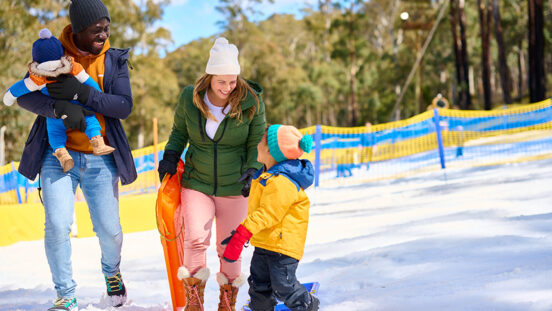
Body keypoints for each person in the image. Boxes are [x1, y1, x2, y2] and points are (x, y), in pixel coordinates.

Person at [16, 0, 136, 309]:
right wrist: (57, 108)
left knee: (109, 230)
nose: (104, 34)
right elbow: (26, 95)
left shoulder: (113, 60)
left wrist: (84, 95)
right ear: (78, 30)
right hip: (57, 155)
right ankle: (65, 294)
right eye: (97, 29)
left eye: (106, 28)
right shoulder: (53, 52)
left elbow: (123, 106)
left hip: (101, 155)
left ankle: (112, 273)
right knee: (57, 224)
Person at [157, 37, 266, 310]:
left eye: (232, 81)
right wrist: (171, 155)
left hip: (235, 185)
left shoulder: (251, 100)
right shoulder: (189, 97)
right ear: (209, 76)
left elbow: (256, 141)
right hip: (197, 182)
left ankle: (227, 303)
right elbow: (179, 132)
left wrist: (254, 169)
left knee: (230, 247)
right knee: (195, 239)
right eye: (221, 82)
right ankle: (194, 302)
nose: (228, 88)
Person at [222, 124, 320, 311]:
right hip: (265, 243)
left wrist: (242, 234)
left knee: (284, 287)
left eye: (259, 142)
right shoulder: (267, 176)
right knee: (258, 286)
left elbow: (268, 214)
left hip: (283, 247)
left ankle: (308, 304)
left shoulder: (282, 182)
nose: (256, 145)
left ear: (271, 150)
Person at [4, 28, 114, 173]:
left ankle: (62, 154)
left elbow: (19, 89)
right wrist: (97, 94)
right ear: (61, 54)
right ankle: (97, 143)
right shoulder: (71, 67)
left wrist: (8, 98)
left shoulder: (37, 78)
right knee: (90, 119)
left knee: (54, 132)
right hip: (76, 107)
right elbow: (87, 80)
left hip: (55, 114)